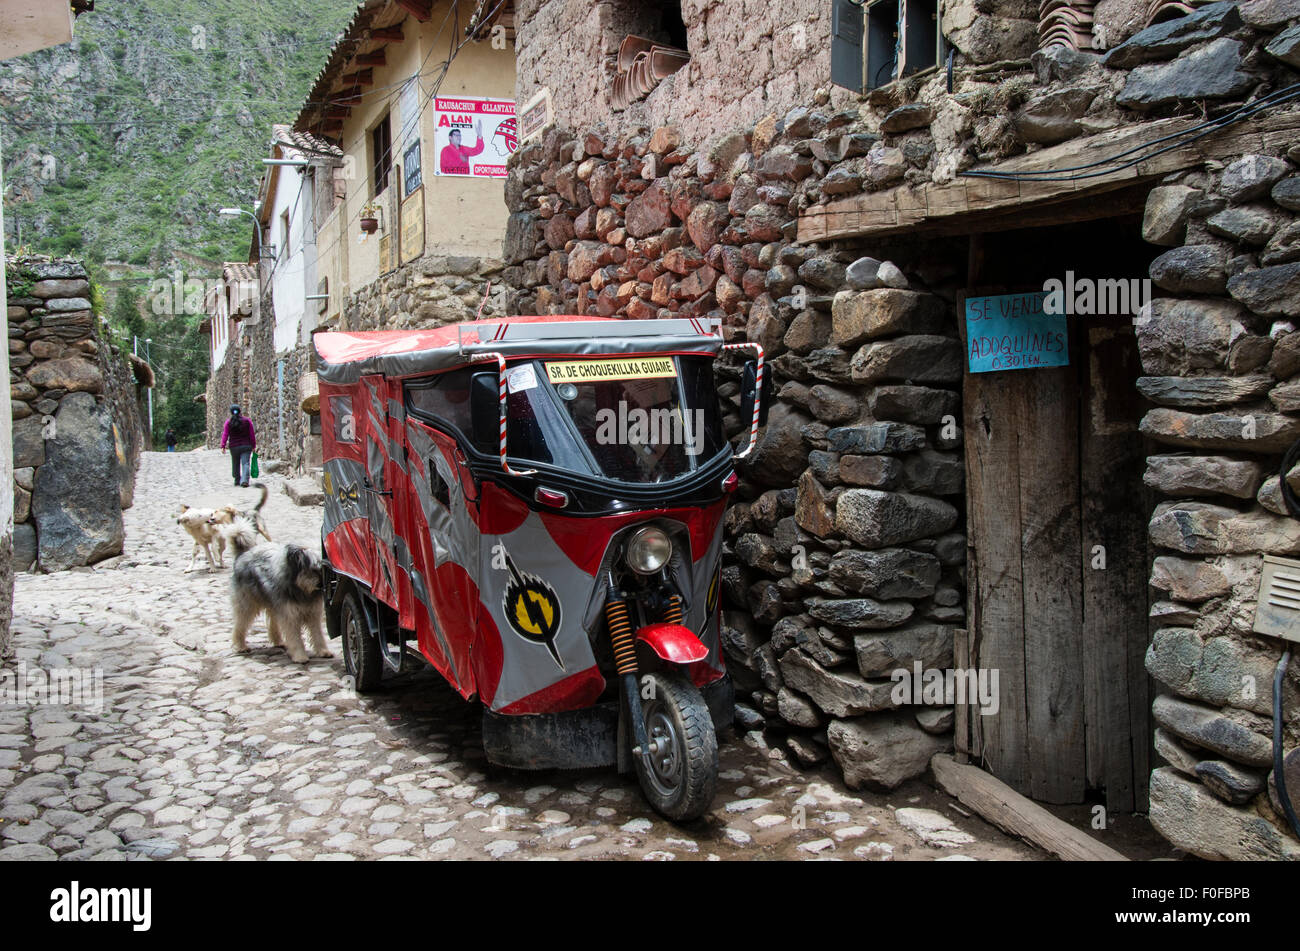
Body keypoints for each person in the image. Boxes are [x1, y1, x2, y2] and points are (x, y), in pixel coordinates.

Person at [221, 404, 256, 487]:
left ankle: (237, 480)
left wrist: (223, 445)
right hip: (246, 446)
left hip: (234, 446)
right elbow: (252, 434)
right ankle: (244, 480)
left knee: (235, 463)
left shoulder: (228, 422)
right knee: (245, 463)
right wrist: (253, 445)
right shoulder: (247, 421)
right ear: (240, 411)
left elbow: (225, 434)